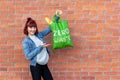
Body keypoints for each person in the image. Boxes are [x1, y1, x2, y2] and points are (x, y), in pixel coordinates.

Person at [22, 10, 62, 80]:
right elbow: (28, 56)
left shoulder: (39, 34)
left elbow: (50, 28)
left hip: (44, 65)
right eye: (30, 27)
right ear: (27, 28)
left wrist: (57, 17)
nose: (33, 29)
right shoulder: (26, 41)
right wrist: (41, 47)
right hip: (35, 66)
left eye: (34, 27)